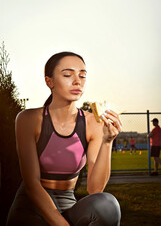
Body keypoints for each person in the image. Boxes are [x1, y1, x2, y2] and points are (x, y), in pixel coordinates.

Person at [7, 52, 122, 226]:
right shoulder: (28, 119)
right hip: (30, 208)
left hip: (68, 204)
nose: (78, 81)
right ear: (49, 81)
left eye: (82, 75)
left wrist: (107, 141)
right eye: (68, 75)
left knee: (107, 205)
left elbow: (94, 189)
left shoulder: (92, 123)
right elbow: (32, 184)